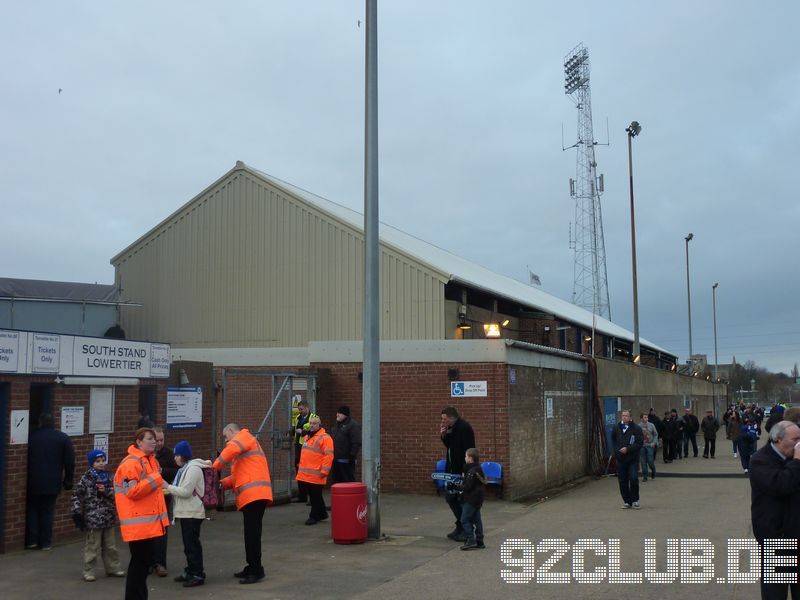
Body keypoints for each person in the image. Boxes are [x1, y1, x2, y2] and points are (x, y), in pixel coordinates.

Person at [212, 423, 272, 585]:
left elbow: (229, 451)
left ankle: (256, 569)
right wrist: (222, 484)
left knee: (252, 535)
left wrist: (214, 467)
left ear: (232, 431)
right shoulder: (244, 448)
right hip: (254, 496)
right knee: (251, 534)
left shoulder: (242, 438)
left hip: (254, 496)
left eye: (225, 437)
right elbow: (237, 477)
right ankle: (252, 566)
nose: (226, 441)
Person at [114, 427, 170, 600]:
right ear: (139, 442)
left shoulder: (149, 460)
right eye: (149, 439)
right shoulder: (132, 463)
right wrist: (155, 479)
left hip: (147, 523)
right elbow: (132, 491)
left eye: (155, 439)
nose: (154, 442)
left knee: (142, 563)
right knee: (139, 564)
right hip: (138, 524)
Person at [748, 421, 800, 600]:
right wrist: (797, 461)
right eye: (795, 439)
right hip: (776, 539)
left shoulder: (793, 458)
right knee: (775, 593)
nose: (798, 444)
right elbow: (781, 485)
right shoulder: (760, 460)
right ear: (778, 439)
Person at [70, 450, 125, 582]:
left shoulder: (110, 477)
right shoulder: (86, 478)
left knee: (110, 546)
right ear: (91, 463)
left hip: (108, 517)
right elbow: (76, 495)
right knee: (92, 546)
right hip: (93, 518)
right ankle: (89, 571)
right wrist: (76, 512)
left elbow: (118, 494)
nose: (101, 464)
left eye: (102, 461)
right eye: (97, 461)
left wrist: (106, 491)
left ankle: (113, 568)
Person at [25, 413, 75, 550]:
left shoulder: (31, 437)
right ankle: (45, 542)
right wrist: (68, 480)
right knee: (47, 511)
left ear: (40, 422)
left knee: (32, 509)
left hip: (32, 480)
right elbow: (70, 462)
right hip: (52, 481)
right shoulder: (62, 438)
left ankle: (32, 540)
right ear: (54, 423)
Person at [167, 441, 210, 588]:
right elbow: (178, 488)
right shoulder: (184, 469)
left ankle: (197, 573)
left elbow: (185, 492)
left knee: (192, 545)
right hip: (186, 512)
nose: (175, 458)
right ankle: (191, 570)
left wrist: (166, 486)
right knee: (188, 545)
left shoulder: (193, 469)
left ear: (182, 455)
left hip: (192, 512)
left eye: (176, 455)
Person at [440, 406, 475, 541]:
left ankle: (465, 528)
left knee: (456, 498)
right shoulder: (452, 428)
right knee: (451, 497)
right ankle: (460, 525)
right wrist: (443, 436)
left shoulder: (463, 428)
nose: (442, 422)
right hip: (452, 469)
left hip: (461, 469)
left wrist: (465, 470)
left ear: (451, 417)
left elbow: (467, 449)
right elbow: (450, 447)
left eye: (444, 419)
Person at [296, 416, 334, 525]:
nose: (311, 425)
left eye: (314, 423)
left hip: (317, 474)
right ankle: (322, 513)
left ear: (319, 425)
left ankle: (313, 516)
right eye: (311, 423)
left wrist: (324, 471)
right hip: (307, 474)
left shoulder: (325, 438)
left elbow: (328, 456)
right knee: (314, 495)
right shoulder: (307, 436)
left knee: (315, 497)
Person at [151, 426, 178, 577]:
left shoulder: (168, 454)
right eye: (157, 440)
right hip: (147, 498)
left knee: (162, 531)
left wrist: (163, 471)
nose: (160, 443)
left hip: (163, 497)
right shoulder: (144, 455)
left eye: (162, 440)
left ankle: (160, 563)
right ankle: (148, 563)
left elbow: (177, 471)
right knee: (148, 531)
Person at [455, 448, 486, 551]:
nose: (465, 458)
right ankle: (480, 541)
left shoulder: (471, 471)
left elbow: (468, 486)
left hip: (471, 498)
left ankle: (470, 540)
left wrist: (455, 486)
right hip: (478, 498)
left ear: (471, 458)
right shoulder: (478, 468)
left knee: (464, 519)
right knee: (477, 520)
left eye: (466, 456)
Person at [611, 410, 643, 509]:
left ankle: (635, 500)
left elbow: (639, 443)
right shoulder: (617, 427)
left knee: (633, 479)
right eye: (623, 415)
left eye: (626, 416)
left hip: (632, 459)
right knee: (622, 480)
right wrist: (616, 452)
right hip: (621, 459)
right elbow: (613, 440)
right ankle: (627, 501)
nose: (624, 417)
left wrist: (628, 449)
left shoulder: (636, 428)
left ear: (630, 417)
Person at [291, 399, 316, 503]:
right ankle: (302, 496)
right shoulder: (297, 418)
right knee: (299, 471)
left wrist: (303, 432)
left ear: (307, 408)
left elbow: (315, 431)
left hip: (309, 448)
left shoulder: (313, 418)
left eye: (301, 409)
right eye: (299, 409)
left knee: (308, 472)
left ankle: (312, 498)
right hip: (299, 447)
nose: (300, 411)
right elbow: (294, 429)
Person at [331, 406, 362, 483]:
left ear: (345, 415)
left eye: (340, 413)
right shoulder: (337, 426)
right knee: (337, 481)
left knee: (347, 481)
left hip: (346, 459)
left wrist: (352, 456)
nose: (337, 415)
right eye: (337, 413)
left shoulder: (353, 425)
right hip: (335, 459)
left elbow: (356, 441)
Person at [638, 413, 658, 481]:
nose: (646, 419)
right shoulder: (638, 426)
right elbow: (636, 436)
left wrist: (654, 443)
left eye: (647, 417)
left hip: (650, 445)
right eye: (644, 417)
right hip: (642, 446)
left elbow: (655, 434)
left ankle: (653, 470)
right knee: (643, 462)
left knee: (650, 461)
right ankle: (645, 476)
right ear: (641, 418)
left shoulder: (651, 425)